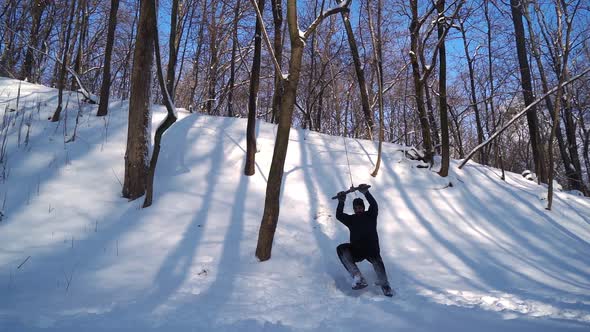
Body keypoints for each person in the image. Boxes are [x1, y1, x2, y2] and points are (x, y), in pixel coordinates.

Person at [335, 184, 394, 297]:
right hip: (357, 250)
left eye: (360, 207)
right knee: (341, 248)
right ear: (354, 209)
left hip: (372, 249)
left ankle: (385, 286)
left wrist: (366, 193)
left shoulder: (371, 215)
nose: (358, 210)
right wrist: (341, 201)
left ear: (364, 207)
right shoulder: (351, 219)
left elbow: (374, 205)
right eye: (356, 208)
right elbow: (339, 215)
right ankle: (358, 277)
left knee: (378, 263)